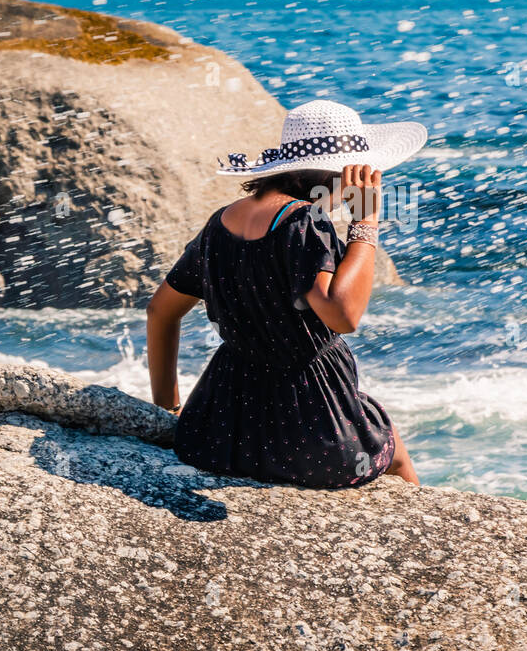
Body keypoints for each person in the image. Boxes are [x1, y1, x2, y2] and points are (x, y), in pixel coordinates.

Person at [147, 100, 427, 488]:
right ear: (339, 172)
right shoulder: (304, 223)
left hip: (218, 430)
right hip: (311, 433)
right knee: (392, 450)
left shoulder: (220, 223)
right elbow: (343, 315)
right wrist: (366, 219)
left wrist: (167, 410)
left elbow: (160, 312)